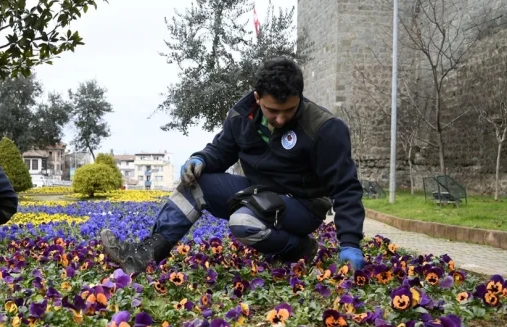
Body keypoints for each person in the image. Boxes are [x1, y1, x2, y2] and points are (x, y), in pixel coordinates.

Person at [101, 57, 366, 274]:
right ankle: (146, 253)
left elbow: (345, 188)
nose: (282, 118)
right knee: (195, 183)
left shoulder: (324, 128)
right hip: (258, 191)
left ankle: (298, 248)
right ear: (257, 97)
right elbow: (222, 151)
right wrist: (200, 159)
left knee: (243, 221)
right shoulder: (241, 116)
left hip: (303, 204)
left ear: (300, 97)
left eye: (290, 109)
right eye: (273, 110)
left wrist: (350, 244)